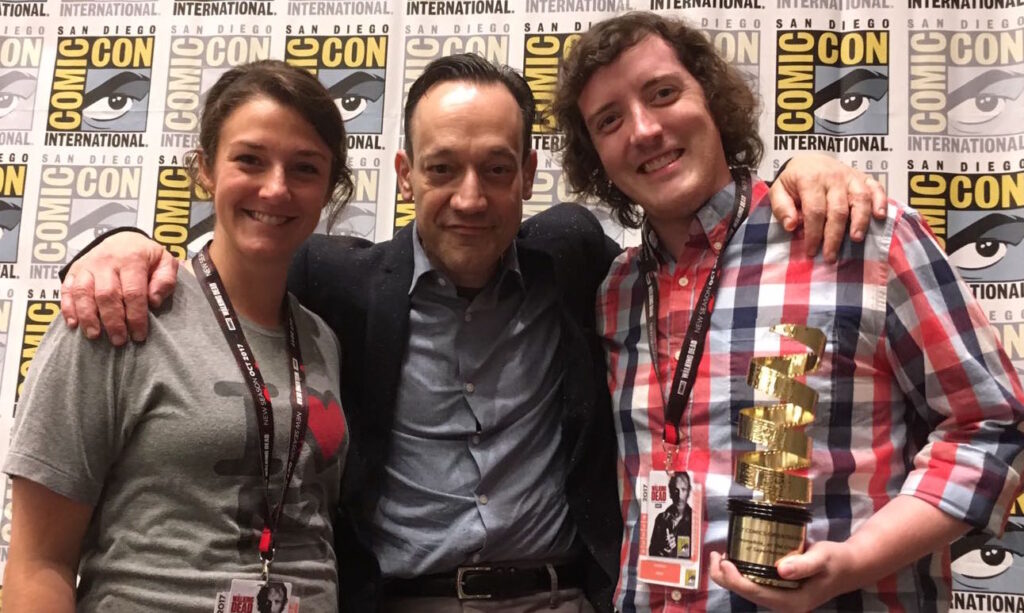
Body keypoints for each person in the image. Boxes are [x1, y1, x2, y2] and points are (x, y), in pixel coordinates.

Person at [58, 53, 885, 612]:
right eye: (443, 169)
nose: (471, 196)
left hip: (560, 597)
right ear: (406, 174)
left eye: (497, 168)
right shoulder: (333, 280)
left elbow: (691, 237)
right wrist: (116, 243)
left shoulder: (573, 257)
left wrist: (796, 169)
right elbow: (238, 253)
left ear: (529, 173)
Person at [552, 11, 1024, 612]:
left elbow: (993, 425)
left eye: (663, 93)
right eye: (609, 121)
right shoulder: (614, 291)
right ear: (596, 157)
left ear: (714, 101)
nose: (643, 130)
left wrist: (858, 559)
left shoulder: (859, 237)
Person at [1, 60, 351, 612]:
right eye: (249, 160)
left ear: (331, 188)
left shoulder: (321, 339)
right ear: (205, 169)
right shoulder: (119, 311)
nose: (276, 188)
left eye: (305, 169)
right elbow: (38, 563)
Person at [649, 472, 693, 559]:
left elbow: (692, 558)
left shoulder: (694, 520)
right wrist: (663, 547)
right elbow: (651, 553)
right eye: (676, 490)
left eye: (683, 489)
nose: (679, 496)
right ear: (670, 492)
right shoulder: (660, 519)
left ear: (689, 491)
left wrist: (676, 549)